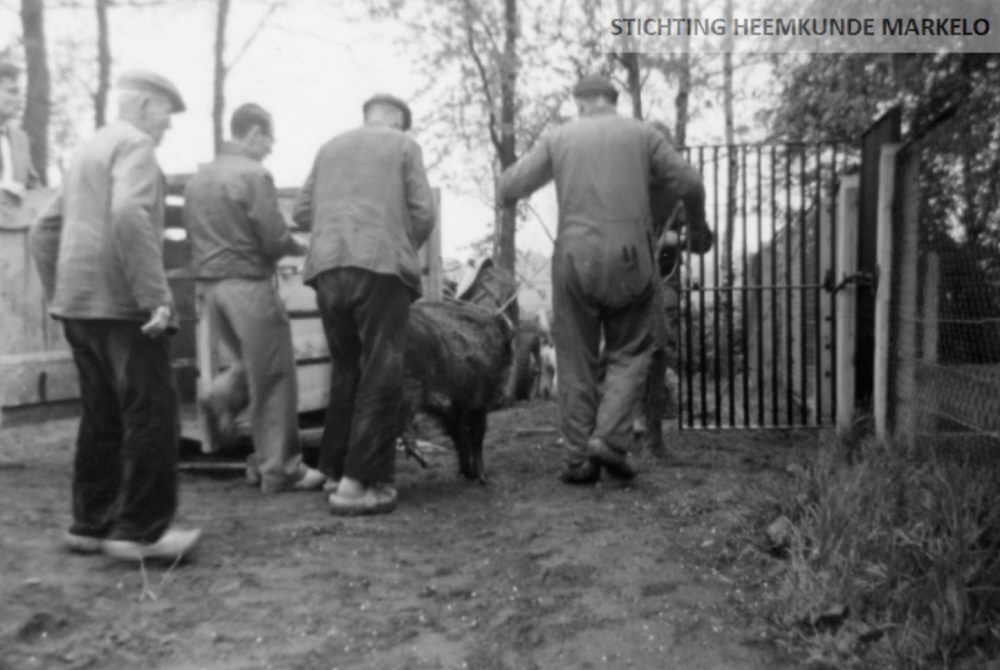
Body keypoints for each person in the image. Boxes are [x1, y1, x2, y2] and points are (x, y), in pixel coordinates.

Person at [498, 74, 706, 485]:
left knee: (576, 357)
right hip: (630, 256)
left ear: (579, 102)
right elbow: (691, 183)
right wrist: (696, 225)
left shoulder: (559, 137)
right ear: (614, 100)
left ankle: (578, 460)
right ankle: (610, 440)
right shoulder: (643, 134)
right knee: (632, 348)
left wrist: (516, 187)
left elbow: (510, 186)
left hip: (573, 258)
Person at [29, 71, 201, 561]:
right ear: (146, 105)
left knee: (101, 415)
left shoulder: (87, 150)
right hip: (124, 307)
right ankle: (140, 532)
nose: (168, 125)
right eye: (167, 113)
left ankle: (90, 524)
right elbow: (130, 214)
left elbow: (45, 230)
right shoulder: (136, 147)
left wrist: (59, 293)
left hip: (78, 306)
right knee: (153, 412)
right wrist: (156, 297)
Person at [293, 93, 436, 515]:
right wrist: (400, 245)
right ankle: (359, 486)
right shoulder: (404, 146)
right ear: (398, 120)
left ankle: (333, 469)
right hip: (380, 267)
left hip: (326, 269)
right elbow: (423, 213)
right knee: (382, 370)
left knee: (347, 368)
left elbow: (303, 211)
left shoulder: (330, 147)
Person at [183, 103, 326, 494]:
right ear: (253, 134)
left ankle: (222, 395)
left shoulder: (199, 180)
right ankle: (282, 469)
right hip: (248, 285)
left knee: (253, 365)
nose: (269, 149)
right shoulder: (253, 174)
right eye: (268, 140)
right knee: (276, 375)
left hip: (211, 291)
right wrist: (300, 248)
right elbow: (272, 236)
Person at [0, 62, 38, 224]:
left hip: (14, 234)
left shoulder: (20, 138)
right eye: (11, 92)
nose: (18, 99)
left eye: (19, 93)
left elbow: (33, 185)